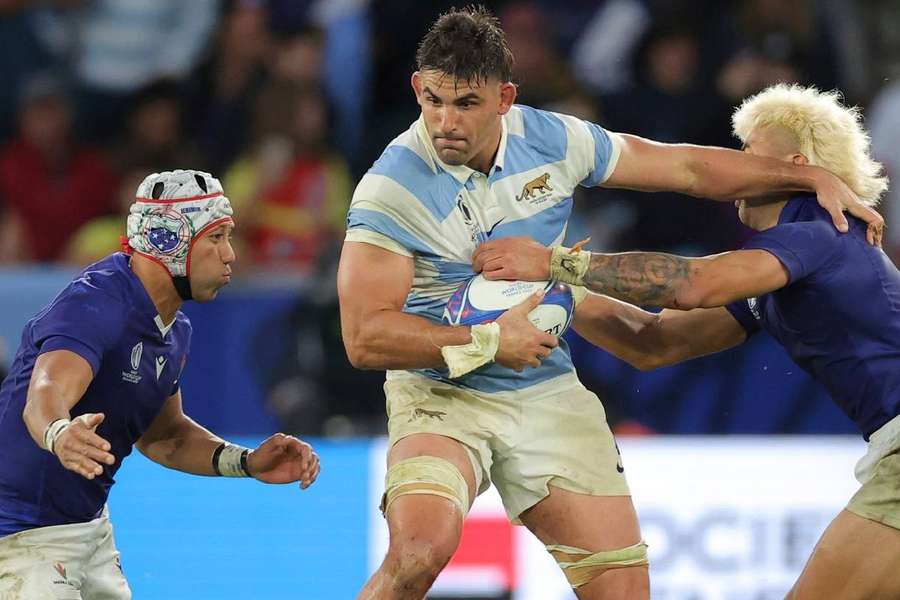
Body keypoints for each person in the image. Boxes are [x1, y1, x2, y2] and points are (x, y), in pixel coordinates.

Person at [337, 6, 882, 599]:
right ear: (417, 88)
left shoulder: (555, 140)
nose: (445, 121)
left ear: (504, 98)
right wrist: (504, 330)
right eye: (434, 101)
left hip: (543, 390)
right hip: (441, 391)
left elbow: (688, 196)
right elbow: (365, 339)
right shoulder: (391, 188)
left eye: (465, 103)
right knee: (419, 553)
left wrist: (555, 267)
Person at [471, 83, 898, 599]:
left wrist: (555, 260)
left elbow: (692, 285)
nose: (734, 167)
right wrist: (560, 289)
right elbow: (653, 343)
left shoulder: (818, 232)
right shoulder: (782, 267)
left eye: (748, 151)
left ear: (794, 164)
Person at [0, 169, 320, 599]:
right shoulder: (96, 303)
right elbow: (45, 391)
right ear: (169, 239)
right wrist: (59, 433)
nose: (231, 255)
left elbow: (165, 438)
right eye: (216, 237)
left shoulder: (174, 329)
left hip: (88, 531)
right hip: (21, 537)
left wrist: (246, 463)